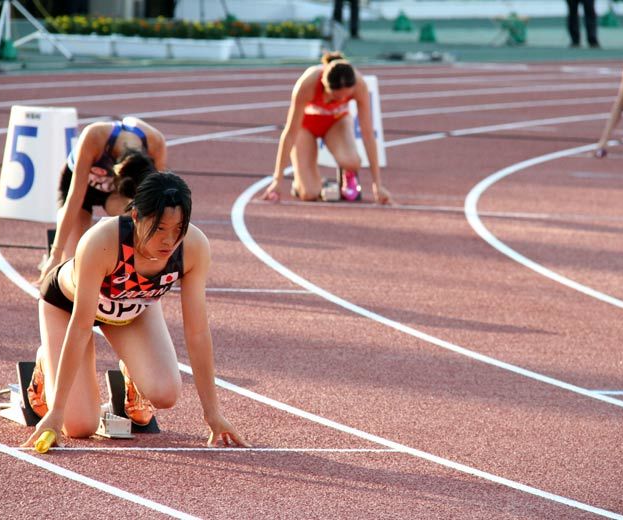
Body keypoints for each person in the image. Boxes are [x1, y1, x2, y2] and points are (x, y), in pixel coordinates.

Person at [23, 172, 249, 449]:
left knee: (165, 394)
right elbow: (82, 326)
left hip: (134, 307)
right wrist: (56, 413)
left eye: (179, 228)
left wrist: (212, 414)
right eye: (160, 228)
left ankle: (132, 380)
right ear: (136, 217)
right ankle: (46, 364)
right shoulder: (102, 242)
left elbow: (198, 332)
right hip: (69, 309)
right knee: (80, 426)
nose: (169, 240)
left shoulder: (193, 248)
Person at [37, 116, 166, 284]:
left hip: (114, 193)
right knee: (71, 264)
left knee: (136, 218)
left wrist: (164, 258)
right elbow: (75, 198)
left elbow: (158, 201)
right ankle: (51, 254)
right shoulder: (94, 136)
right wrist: (55, 255)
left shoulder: (156, 143)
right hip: (81, 188)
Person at [261, 51, 392, 205]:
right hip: (306, 127)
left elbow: (368, 134)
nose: (342, 100)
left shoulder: (359, 84)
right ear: (323, 83)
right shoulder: (307, 84)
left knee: (352, 162)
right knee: (310, 194)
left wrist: (377, 184)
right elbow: (290, 133)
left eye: (346, 97)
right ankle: (300, 183)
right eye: (336, 97)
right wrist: (277, 180)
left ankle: (348, 175)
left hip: (336, 124)